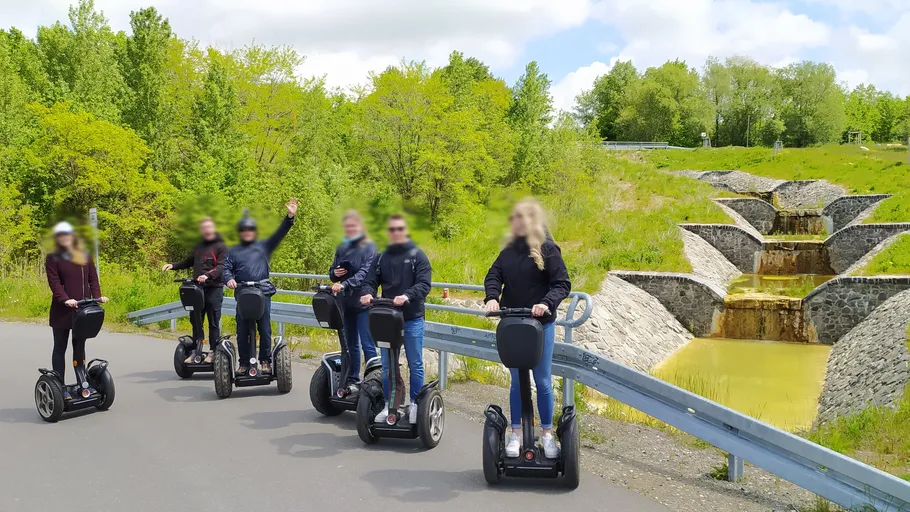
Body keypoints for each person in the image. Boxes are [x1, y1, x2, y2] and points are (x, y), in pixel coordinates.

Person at [484, 198, 571, 459]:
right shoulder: (508, 251)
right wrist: (491, 297)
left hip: (540, 326)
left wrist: (546, 303)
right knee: (516, 382)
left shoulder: (548, 249)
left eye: (519, 218)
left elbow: (562, 284)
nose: (515, 223)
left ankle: (546, 433)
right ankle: (516, 433)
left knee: (542, 381)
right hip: (512, 324)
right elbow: (493, 276)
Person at [360, 214, 432, 424]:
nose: (395, 233)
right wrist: (367, 293)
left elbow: (424, 284)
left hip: (411, 318)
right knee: (388, 364)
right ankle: (391, 405)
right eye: (391, 230)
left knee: (415, 363)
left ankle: (416, 404)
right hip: (388, 320)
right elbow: (369, 281)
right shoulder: (382, 258)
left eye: (399, 229)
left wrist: (407, 295)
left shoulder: (418, 256)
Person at [223, 199, 297, 374]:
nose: (247, 232)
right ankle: (243, 363)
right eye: (244, 230)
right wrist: (229, 279)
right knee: (242, 330)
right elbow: (225, 269)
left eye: (250, 230)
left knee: (264, 329)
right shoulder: (233, 251)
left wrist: (290, 217)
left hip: (262, 293)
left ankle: (265, 361)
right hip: (242, 294)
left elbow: (279, 234)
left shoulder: (264, 246)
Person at [45, 222, 109, 400]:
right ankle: (61, 387)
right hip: (62, 311)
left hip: (84, 310)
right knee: (60, 347)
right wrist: (65, 300)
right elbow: (55, 283)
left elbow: (93, 280)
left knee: (79, 347)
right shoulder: (53, 257)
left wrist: (98, 298)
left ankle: (83, 383)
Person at [162, 216, 227, 364]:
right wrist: (173, 265)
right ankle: (196, 350)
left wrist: (208, 275)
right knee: (196, 320)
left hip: (214, 288)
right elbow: (189, 261)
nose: (207, 230)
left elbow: (222, 267)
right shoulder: (199, 246)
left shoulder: (221, 246)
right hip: (197, 289)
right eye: (204, 228)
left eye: (209, 227)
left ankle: (213, 351)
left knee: (213, 321)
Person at [329, 210, 378, 392]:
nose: (350, 229)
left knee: (367, 343)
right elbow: (333, 271)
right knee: (350, 345)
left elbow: (365, 273)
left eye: (353, 226)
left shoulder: (370, 247)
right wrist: (335, 274)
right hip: (346, 302)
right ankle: (352, 379)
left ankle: (374, 381)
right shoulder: (342, 247)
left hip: (364, 301)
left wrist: (345, 283)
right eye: (347, 226)